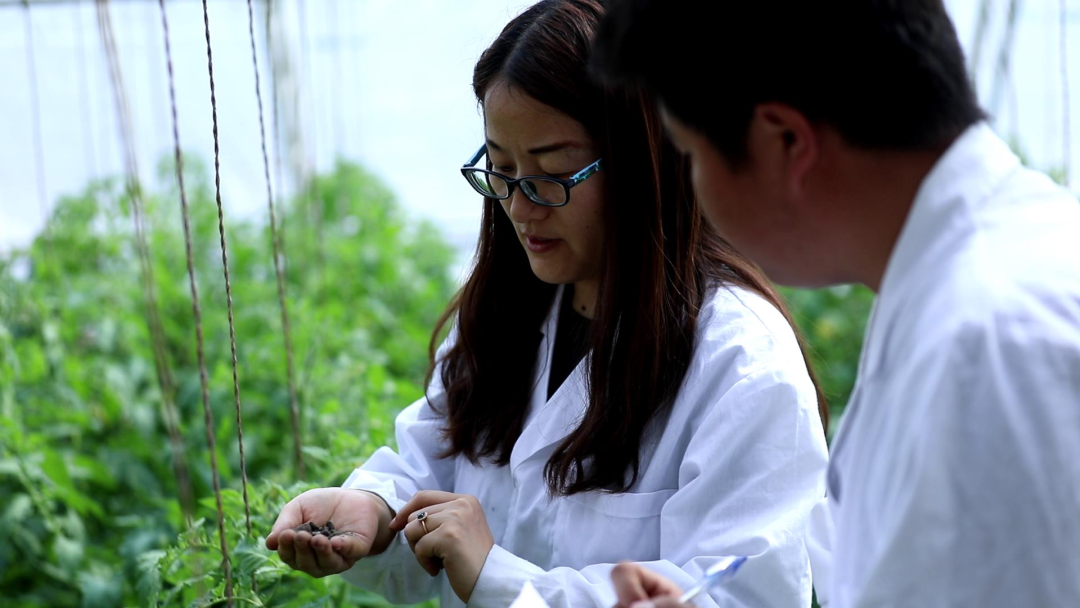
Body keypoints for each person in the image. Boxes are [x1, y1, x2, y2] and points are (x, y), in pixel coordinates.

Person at [265, 1, 829, 607]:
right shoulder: (508, 313)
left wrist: (499, 579)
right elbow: (432, 465)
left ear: (644, 164)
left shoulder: (741, 366)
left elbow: (738, 595)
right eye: (502, 169)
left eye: (551, 174)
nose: (519, 207)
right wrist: (374, 512)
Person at [591, 1, 1080, 607]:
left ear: (785, 140)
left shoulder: (990, 348)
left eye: (690, 154)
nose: (694, 190)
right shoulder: (960, 283)